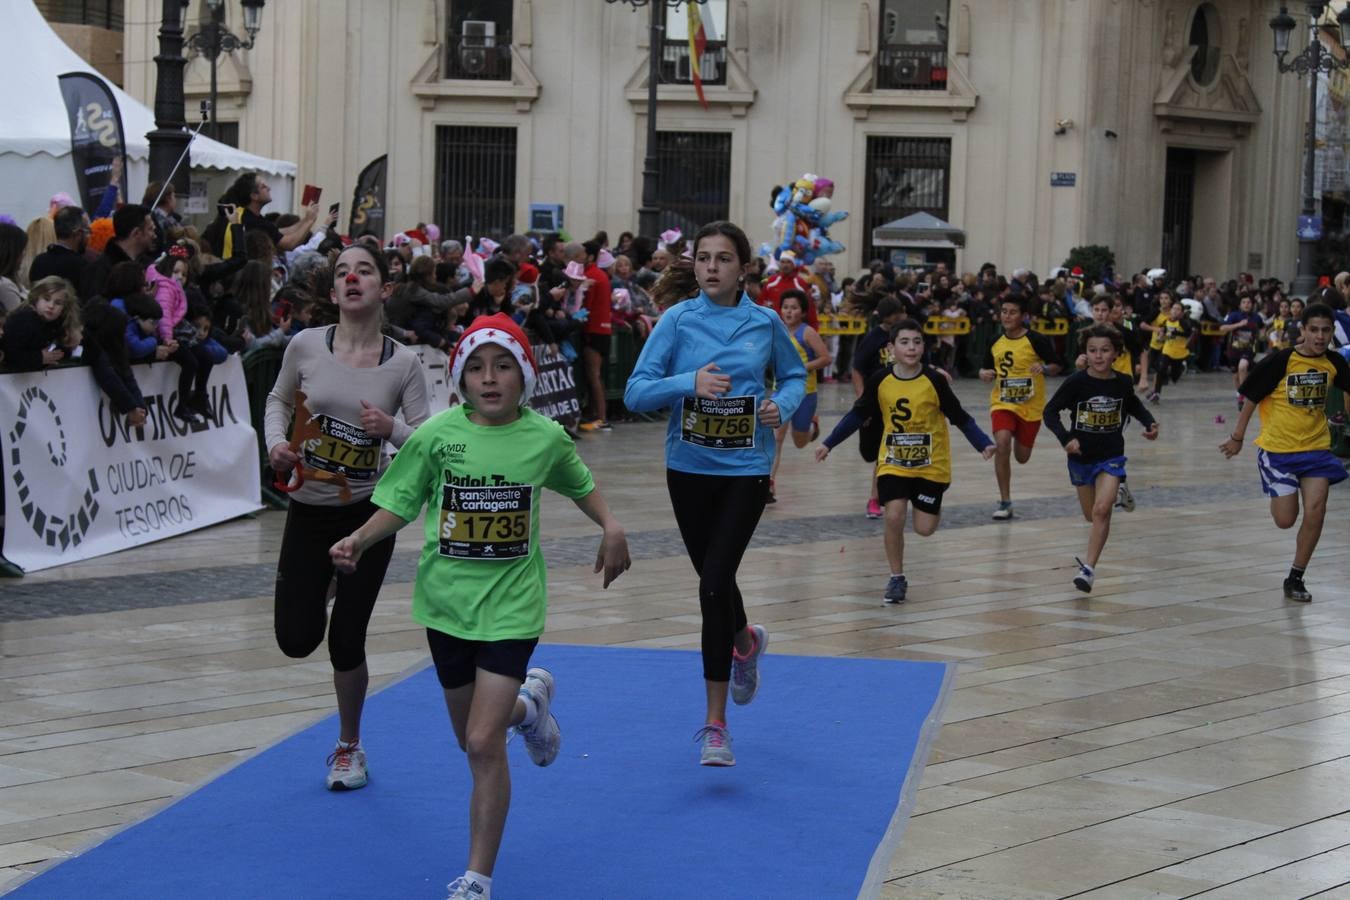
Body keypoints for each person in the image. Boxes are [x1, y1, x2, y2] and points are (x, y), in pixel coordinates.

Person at [330, 313, 629, 900]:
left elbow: (580, 483)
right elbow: (400, 502)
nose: (489, 379)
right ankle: (530, 707)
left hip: (513, 608)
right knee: (470, 737)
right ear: (461, 379)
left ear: (524, 376)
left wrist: (612, 526)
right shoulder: (436, 436)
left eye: (502, 367)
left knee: (483, 743)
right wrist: (359, 540)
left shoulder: (545, 437)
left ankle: (476, 878)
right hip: (446, 608)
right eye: (476, 367)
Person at [624, 220, 806, 767]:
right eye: (703, 258)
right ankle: (745, 641)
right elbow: (635, 391)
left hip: (746, 470)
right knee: (715, 580)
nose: (711, 268)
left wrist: (783, 405)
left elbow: (794, 377)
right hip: (688, 468)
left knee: (711, 586)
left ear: (743, 268)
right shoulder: (677, 321)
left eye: (723, 259)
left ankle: (715, 724)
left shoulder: (765, 322)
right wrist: (688, 383)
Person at [264, 243, 431, 791]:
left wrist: (392, 431)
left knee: (346, 639)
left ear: (384, 289)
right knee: (295, 638)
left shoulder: (404, 363)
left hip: (367, 517)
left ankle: (348, 746)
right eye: (342, 273)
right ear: (333, 291)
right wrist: (276, 447)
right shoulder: (305, 345)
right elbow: (277, 401)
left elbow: (428, 444)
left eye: (364, 271)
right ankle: (324, 585)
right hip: (308, 510)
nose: (351, 279)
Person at [816, 319, 994, 603]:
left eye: (917, 342)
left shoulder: (934, 381)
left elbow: (959, 416)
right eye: (904, 342)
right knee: (894, 515)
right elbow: (857, 414)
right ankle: (896, 578)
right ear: (891, 348)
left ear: (924, 346)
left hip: (931, 465)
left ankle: (928, 509)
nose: (911, 348)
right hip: (893, 462)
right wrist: (829, 443)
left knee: (924, 529)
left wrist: (982, 442)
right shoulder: (880, 380)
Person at [1220, 303, 1350, 603]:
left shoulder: (1334, 363)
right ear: (1302, 330)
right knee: (1285, 520)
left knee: (1316, 510)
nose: (1320, 336)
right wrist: (1237, 436)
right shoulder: (1281, 361)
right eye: (1314, 330)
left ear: (1332, 332)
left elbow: (1347, 390)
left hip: (1316, 448)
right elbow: (1251, 396)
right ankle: (1279, 490)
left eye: (1326, 330)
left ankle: (1296, 576)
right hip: (1277, 452)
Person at [1044, 324, 1159, 593]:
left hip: (1111, 455)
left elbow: (1132, 404)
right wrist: (1065, 439)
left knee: (1101, 510)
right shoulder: (1076, 382)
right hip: (1081, 457)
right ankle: (1119, 488)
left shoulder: (1121, 382)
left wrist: (1149, 423)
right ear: (1085, 353)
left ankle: (1089, 569)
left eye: (1105, 350)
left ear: (1116, 353)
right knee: (1090, 515)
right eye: (1093, 350)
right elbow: (1050, 412)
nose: (1098, 356)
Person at [979, 294, 1062, 519]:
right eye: (1004, 311)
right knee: (1002, 441)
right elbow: (986, 369)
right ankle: (1005, 502)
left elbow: (1057, 365)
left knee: (1022, 457)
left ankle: (1018, 434)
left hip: (1030, 406)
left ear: (1024, 316)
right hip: (1002, 402)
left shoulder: (1036, 339)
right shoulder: (994, 340)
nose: (1007, 316)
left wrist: (1044, 369)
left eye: (1012, 312)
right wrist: (983, 373)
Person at [768, 289, 831, 502]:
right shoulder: (776, 331)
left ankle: (812, 426)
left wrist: (803, 366)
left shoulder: (808, 333)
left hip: (805, 393)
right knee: (776, 437)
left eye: (794, 308)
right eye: (785, 307)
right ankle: (769, 485)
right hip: (781, 391)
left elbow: (825, 358)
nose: (789, 311)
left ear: (802, 312)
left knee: (799, 442)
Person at [852, 295, 907, 518]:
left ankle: (875, 498)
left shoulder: (904, 336)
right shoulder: (873, 338)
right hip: (874, 400)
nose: (900, 316)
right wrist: (862, 398)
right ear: (888, 315)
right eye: (897, 313)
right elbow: (857, 368)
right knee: (869, 451)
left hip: (897, 403)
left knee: (885, 452)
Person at [1, 276, 81, 371]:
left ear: (64, 308)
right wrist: (39, 357)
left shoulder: (59, 323)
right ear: (36, 299)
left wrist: (72, 346)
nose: (51, 306)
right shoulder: (24, 320)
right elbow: (9, 353)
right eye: (46, 299)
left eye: (58, 303)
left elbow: (60, 350)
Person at [578, 240, 613, 432]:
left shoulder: (590, 276)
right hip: (603, 329)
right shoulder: (602, 275)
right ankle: (598, 415)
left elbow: (587, 304)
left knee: (594, 374)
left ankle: (601, 417)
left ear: (590, 256)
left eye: (582, 253)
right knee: (596, 375)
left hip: (593, 329)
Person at [28, 205, 91, 296]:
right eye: (88, 231)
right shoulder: (81, 265)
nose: (89, 236)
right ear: (77, 233)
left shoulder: (38, 262)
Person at [1220, 294, 1264, 410]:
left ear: (1252, 304)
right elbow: (1223, 328)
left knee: (1243, 367)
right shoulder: (1234, 315)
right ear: (1240, 305)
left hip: (1249, 348)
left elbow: (1263, 328)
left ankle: (1243, 395)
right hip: (1233, 349)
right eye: (1244, 302)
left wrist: (1264, 336)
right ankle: (1240, 394)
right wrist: (1239, 325)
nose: (1246, 304)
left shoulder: (1256, 317)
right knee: (1236, 376)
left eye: (1249, 302)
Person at [1148, 297, 1193, 403]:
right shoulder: (1166, 320)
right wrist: (1161, 336)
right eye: (1174, 308)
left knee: (1174, 378)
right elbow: (1163, 330)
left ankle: (1181, 367)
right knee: (1160, 369)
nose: (1175, 311)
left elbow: (1188, 333)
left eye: (1178, 309)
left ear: (1181, 313)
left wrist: (1174, 333)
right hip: (1167, 350)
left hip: (1179, 353)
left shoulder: (1182, 322)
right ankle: (1157, 393)